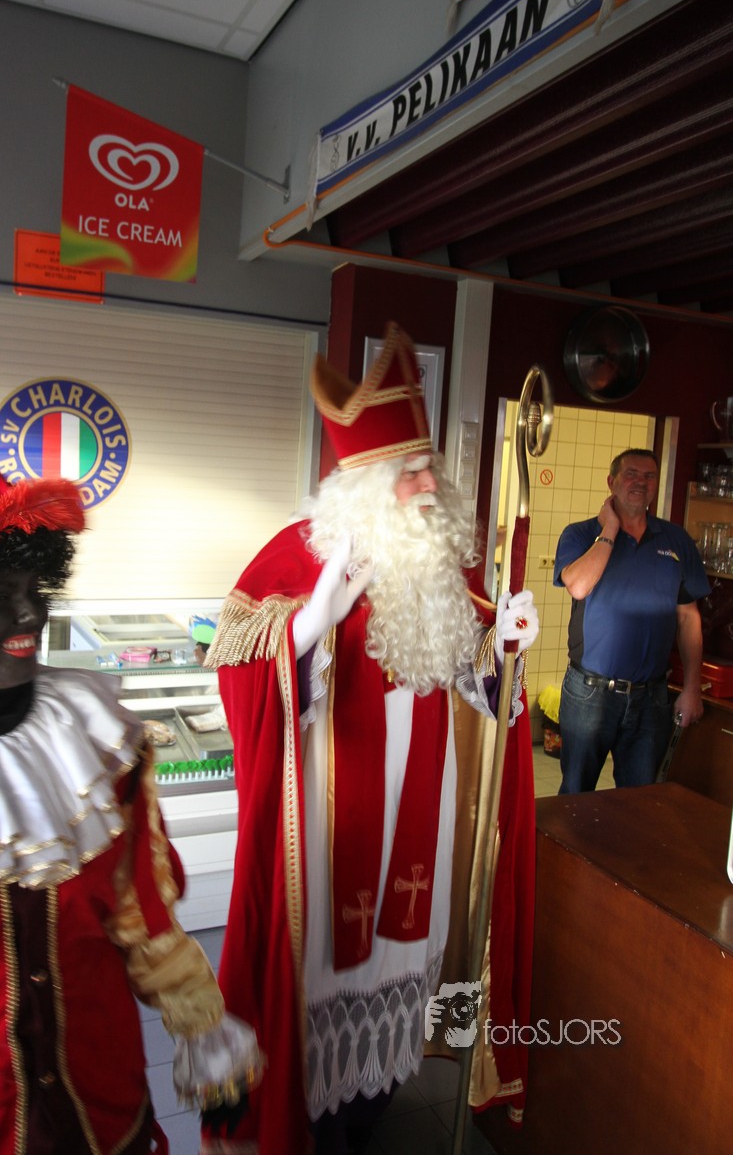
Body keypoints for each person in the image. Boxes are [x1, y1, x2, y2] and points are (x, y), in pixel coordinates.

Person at [201, 324, 539, 1155]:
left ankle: (376, 1098)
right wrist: (307, 625)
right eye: (410, 472)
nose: (429, 484)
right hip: (331, 818)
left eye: (428, 467)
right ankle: (310, 1111)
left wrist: (504, 654)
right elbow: (244, 673)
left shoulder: (444, 560)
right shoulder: (297, 554)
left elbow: (477, 686)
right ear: (363, 487)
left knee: (402, 964)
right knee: (325, 969)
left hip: (421, 812)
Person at [0, 465, 262, 1155]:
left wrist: (203, 1030)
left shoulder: (97, 741)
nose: (30, 614)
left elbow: (142, 911)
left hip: (102, 1104)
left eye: (34, 589)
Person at [554, 448, 710, 794]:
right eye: (631, 474)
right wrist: (610, 529)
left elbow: (688, 617)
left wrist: (691, 687)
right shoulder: (581, 534)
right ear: (611, 482)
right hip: (590, 692)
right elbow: (578, 586)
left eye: (649, 476)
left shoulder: (676, 540)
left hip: (651, 698)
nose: (640, 482)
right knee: (575, 795)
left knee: (641, 800)